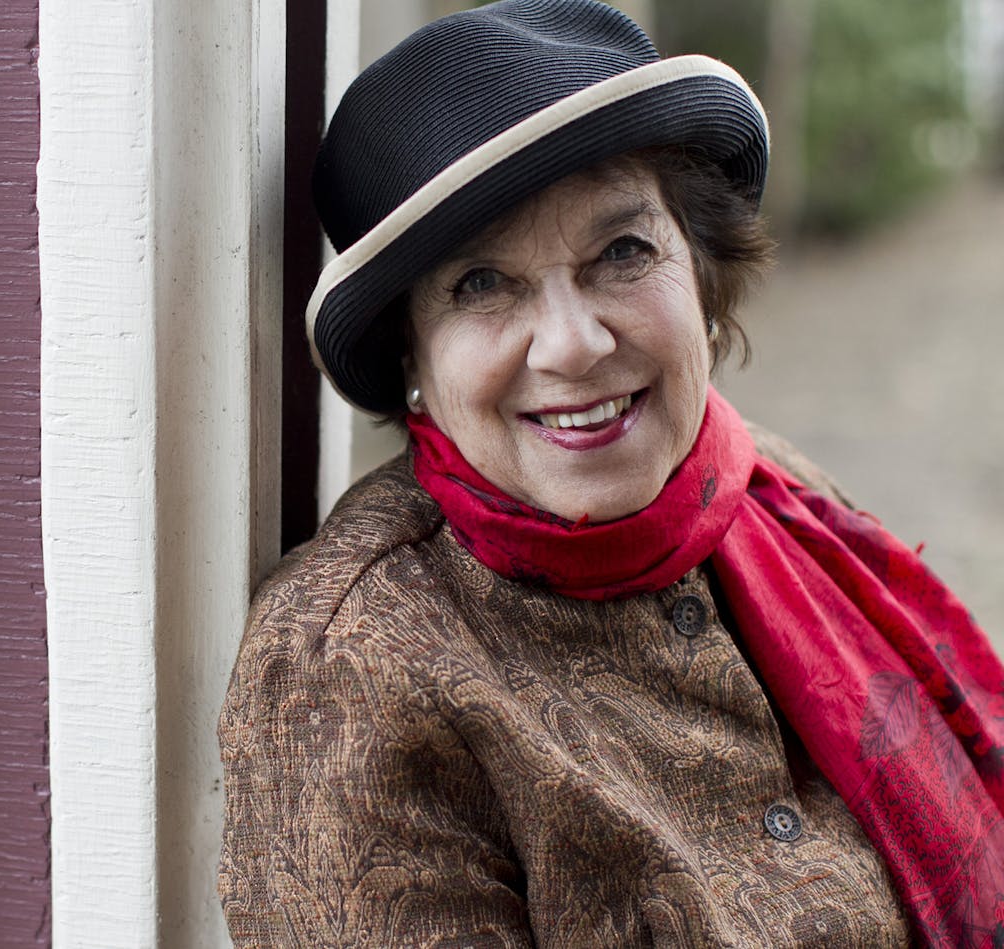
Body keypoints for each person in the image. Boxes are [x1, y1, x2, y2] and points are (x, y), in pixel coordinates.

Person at [217, 1, 1004, 946]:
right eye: (481, 284)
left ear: (702, 274)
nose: (575, 342)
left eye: (622, 252)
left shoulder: (767, 487)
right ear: (412, 360)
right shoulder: (356, 664)